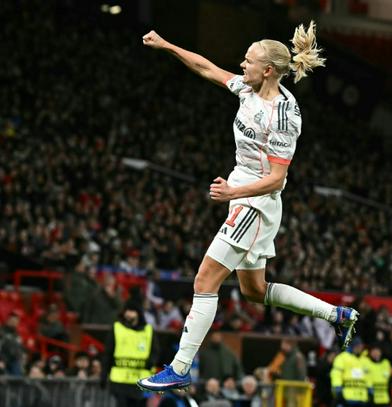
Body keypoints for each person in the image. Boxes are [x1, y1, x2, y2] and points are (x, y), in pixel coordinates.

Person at [137, 21, 358, 392]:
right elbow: (208, 69)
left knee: (205, 280)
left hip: (254, 205)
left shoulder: (283, 115)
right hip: (244, 198)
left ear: (267, 70)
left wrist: (233, 194)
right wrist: (167, 45)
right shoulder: (248, 89)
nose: (241, 65)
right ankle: (336, 315)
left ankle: (179, 367)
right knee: (254, 291)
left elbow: (277, 180)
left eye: (248, 60)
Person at [103, 299, 159, 407]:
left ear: (138, 313)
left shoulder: (148, 330)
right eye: (127, 311)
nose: (128, 314)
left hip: (140, 381)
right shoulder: (117, 328)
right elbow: (108, 353)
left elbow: (155, 352)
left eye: (132, 311)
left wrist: (151, 363)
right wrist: (104, 374)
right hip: (120, 381)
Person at [331, 337, 371, 406]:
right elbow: (336, 375)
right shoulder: (342, 358)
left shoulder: (365, 360)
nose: (359, 348)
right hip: (346, 398)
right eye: (357, 346)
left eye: (361, 346)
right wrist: (338, 390)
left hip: (362, 399)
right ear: (353, 346)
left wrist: (370, 391)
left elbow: (368, 377)